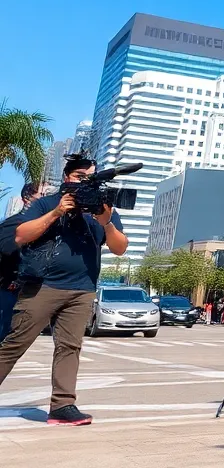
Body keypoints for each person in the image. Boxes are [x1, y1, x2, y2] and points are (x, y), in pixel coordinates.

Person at [0, 155, 128, 426]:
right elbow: (21, 235)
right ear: (67, 177)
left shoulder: (101, 209)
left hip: (82, 290)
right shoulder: (46, 203)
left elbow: (120, 248)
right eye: (81, 176)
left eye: (91, 177)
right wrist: (57, 212)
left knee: (70, 347)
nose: (86, 182)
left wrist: (106, 221)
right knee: (14, 344)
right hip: (42, 286)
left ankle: (62, 405)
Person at [1, 182, 51, 342]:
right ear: (26, 199)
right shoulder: (17, 222)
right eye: (42, 196)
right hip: (9, 290)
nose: (46, 201)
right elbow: (7, 248)